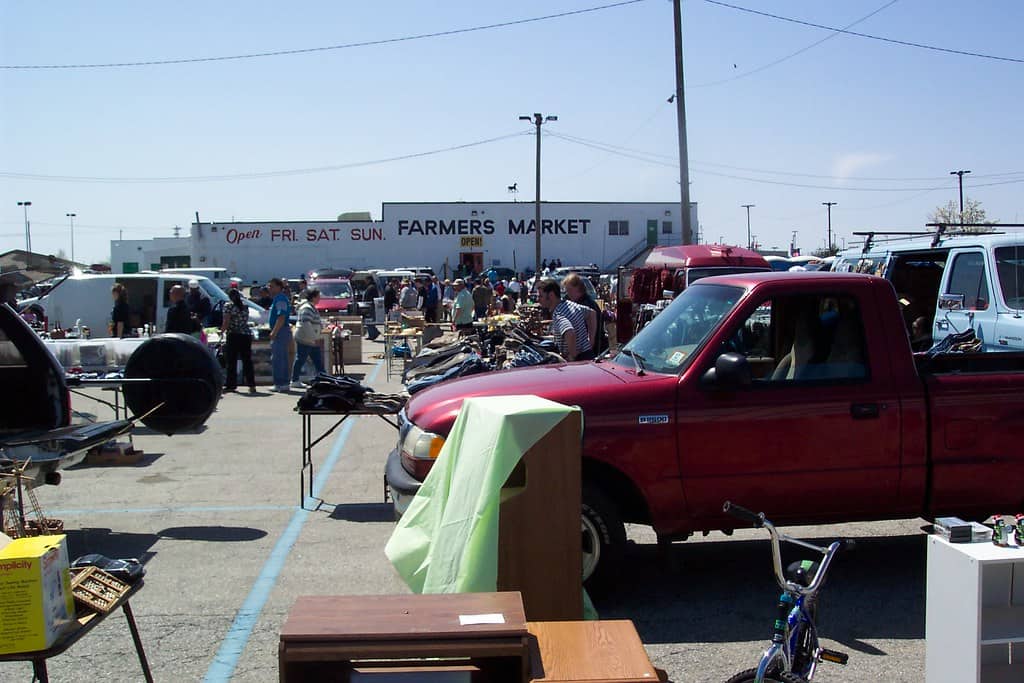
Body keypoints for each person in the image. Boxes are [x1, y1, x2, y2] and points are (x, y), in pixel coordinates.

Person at [538, 278, 595, 361]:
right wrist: (591, 340)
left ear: (551, 295)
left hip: (579, 362)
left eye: (541, 296)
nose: (538, 299)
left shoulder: (558, 314)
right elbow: (592, 313)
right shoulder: (571, 305)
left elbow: (569, 332)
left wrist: (573, 355)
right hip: (588, 355)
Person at [562, 272, 607, 356]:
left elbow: (586, 331)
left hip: (591, 350)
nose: (567, 294)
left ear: (577, 288)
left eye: (569, 290)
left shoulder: (587, 305)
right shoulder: (575, 303)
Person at [221, 288, 256, 394]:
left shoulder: (228, 306)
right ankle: (251, 384)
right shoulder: (245, 306)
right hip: (245, 335)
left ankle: (231, 384)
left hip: (233, 335)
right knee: (247, 360)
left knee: (231, 361)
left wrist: (221, 331)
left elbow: (226, 321)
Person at [291, 288, 325, 389]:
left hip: (310, 339)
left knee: (317, 360)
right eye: (318, 297)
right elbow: (305, 324)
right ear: (313, 297)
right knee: (301, 359)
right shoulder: (307, 308)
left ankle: (323, 379)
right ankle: (295, 380)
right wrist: (315, 338)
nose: (320, 299)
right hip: (305, 338)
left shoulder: (311, 307)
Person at [267, 277, 293, 392]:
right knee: (279, 357)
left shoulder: (281, 299)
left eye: (271, 286)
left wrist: (274, 332)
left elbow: (281, 317)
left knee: (279, 358)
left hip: (280, 331)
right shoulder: (277, 299)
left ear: (278, 287)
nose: (269, 288)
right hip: (280, 331)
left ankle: (281, 383)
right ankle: (281, 382)